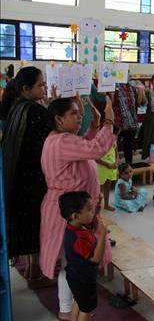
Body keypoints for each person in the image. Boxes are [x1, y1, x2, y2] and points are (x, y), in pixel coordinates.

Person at [40, 96, 115, 320]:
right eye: (74, 113)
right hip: (68, 214)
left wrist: (94, 124)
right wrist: (108, 122)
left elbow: (84, 147)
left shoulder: (60, 139)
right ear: (59, 120)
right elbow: (95, 149)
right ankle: (66, 309)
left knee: (73, 263)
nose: (79, 115)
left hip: (71, 211)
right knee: (72, 266)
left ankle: (71, 307)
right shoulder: (62, 142)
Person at [1, 66, 52, 288]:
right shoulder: (35, 111)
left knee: (28, 224)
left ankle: (32, 268)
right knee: (36, 224)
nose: (44, 88)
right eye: (40, 85)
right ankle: (36, 273)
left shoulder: (15, 107)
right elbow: (56, 134)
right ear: (25, 88)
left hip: (16, 176)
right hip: (33, 178)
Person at [59, 191, 107, 321]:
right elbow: (96, 258)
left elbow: (91, 222)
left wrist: (97, 209)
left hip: (76, 276)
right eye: (89, 210)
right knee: (86, 309)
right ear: (76, 215)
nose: (92, 212)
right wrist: (103, 235)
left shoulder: (75, 226)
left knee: (79, 302)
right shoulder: (78, 238)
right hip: (83, 280)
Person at [113, 79, 146, 164]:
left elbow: (138, 104)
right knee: (113, 146)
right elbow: (111, 103)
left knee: (128, 146)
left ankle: (129, 168)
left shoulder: (132, 87)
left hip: (131, 121)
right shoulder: (114, 86)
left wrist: (141, 90)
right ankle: (113, 168)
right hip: (118, 122)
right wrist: (111, 94)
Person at [96, 125, 121, 211]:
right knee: (99, 188)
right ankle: (97, 206)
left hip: (111, 167)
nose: (116, 137)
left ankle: (106, 204)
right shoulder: (100, 142)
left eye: (117, 135)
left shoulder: (114, 141)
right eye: (115, 134)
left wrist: (116, 163)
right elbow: (96, 158)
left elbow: (117, 154)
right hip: (102, 167)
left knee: (108, 185)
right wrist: (106, 164)